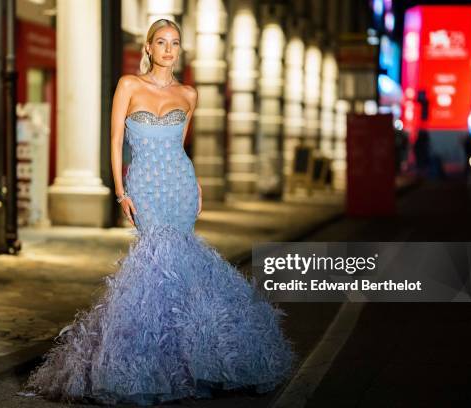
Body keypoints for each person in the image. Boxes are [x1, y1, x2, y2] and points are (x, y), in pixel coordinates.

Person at [22, 19, 296, 406]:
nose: (169, 49)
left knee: (181, 264)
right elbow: (116, 141)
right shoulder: (129, 85)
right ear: (148, 48)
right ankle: (146, 367)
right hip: (146, 187)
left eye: (175, 43)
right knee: (154, 264)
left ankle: (192, 362)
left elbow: (180, 146)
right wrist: (121, 192)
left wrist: (195, 182)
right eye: (161, 42)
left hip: (180, 187)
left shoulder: (189, 94)